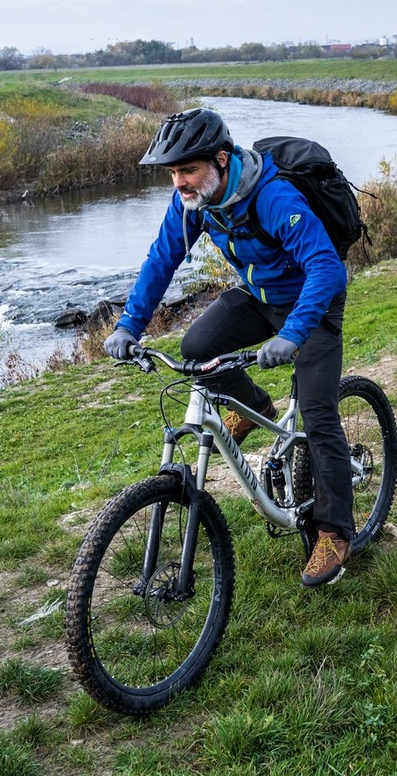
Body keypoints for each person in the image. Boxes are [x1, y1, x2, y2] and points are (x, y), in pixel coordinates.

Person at [103, 108, 357, 588]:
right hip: (258, 297)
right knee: (197, 347)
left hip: (311, 303)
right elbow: (162, 259)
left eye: (189, 169)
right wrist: (129, 325)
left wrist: (293, 335)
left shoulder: (274, 196)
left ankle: (335, 531)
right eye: (173, 172)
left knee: (319, 414)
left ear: (221, 160)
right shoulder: (194, 202)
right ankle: (252, 406)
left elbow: (326, 266)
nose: (179, 182)